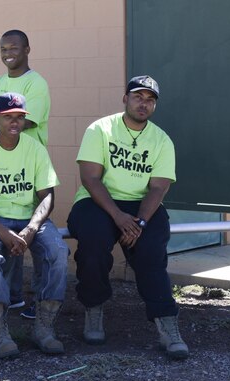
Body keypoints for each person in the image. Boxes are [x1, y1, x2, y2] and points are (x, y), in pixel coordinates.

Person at [67, 75, 189, 360]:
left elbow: (159, 186)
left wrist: (141, 222)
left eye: (150, 99)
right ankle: (94, 309)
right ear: (125, 99)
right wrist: (118, 216)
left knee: (151, 254)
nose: (143, 103)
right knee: (93, 246)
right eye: (138, 96)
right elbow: (90, 178)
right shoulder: (100, 129)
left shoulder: (161, 140)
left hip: (141, 206)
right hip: (98, 202)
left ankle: (167, 324)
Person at [0, 92, 68, 358]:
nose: (14, 122)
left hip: (30, 218)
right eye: (8, 117)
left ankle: (44, 328)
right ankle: (0, 331)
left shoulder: (35, 149)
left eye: (19, 117)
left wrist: (30, 229)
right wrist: (2, 232)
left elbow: (48, 196)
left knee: (58, 252)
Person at [0, 29, 51, 319]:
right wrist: (2, 117)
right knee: (9, 231)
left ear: (27, 48)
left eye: (14, 47)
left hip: (29, 165)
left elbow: (23, 124)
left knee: (36, 234)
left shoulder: (36, 83)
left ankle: (39, 302)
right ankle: (13, 298)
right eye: (3, 48)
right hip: (1, 163)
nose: (8, 53)